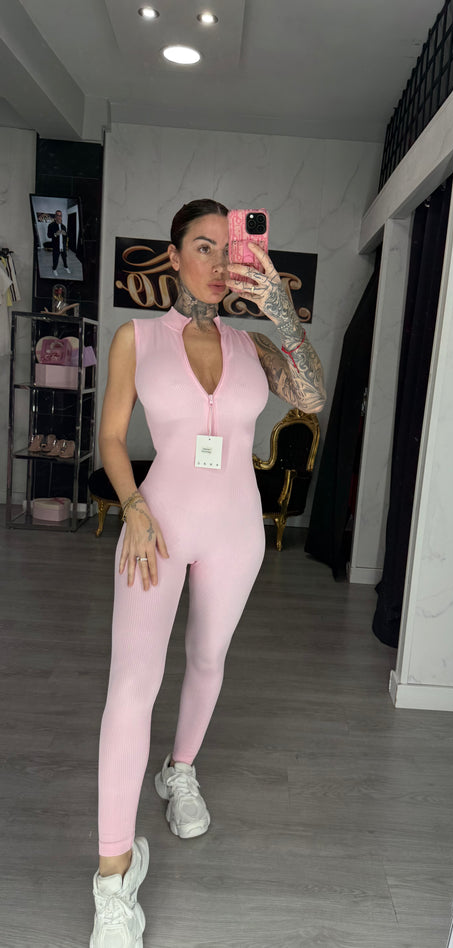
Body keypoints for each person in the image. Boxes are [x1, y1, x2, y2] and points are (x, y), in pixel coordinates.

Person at [90, 198, 326, 947]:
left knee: (207, 659)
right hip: (155, 527)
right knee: (132, 683)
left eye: (229, 248)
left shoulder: (253, 344)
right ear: (173, 256)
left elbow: (312, 397)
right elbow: (111, 438)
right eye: (203, 246)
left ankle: (180, 769)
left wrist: (282, 312)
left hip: (235, 530)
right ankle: (113, 878)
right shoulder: (136, 338)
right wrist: (132, 507)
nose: (219, 262)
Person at [47, 209, 70, 275]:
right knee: (55, 259)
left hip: (63, 246)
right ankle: (54, 269)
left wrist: (65, 234)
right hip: (56, 247)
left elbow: (66, 236)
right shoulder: (51, 225)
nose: (59, 217)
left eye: (60, 215)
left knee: (64, 258)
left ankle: (66, 267)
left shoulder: (63, 226)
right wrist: (55, 234)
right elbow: (49, 235)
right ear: (55, 216)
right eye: (58, 215)